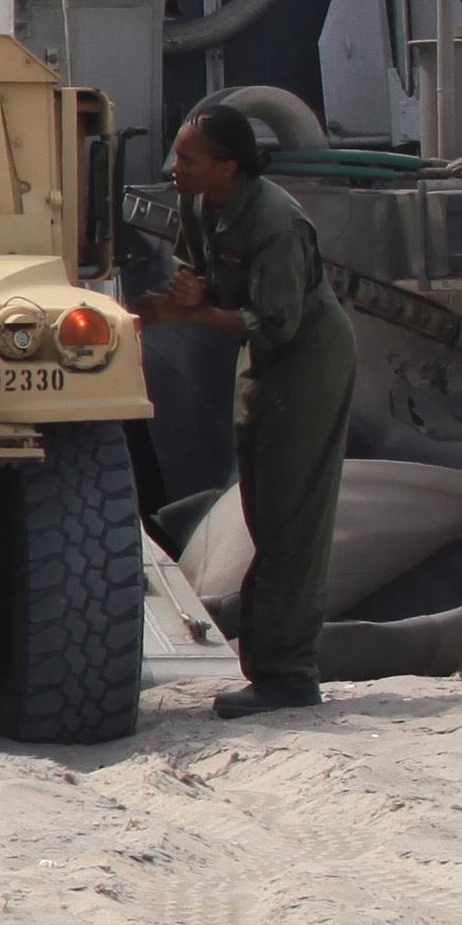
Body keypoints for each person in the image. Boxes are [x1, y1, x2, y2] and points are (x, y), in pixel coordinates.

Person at [135, 99, 356, 716]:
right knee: (263, 506)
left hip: (304, 363)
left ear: (229, 166)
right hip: (261, 365)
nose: (174, 167)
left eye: (188, 158)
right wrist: (190, 286)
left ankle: (286, 675)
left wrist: (186, 313)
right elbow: (196, 265)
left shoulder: (277, 222)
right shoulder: (200, 200)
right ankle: (271, 667)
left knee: (292, 521)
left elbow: (278, 325)